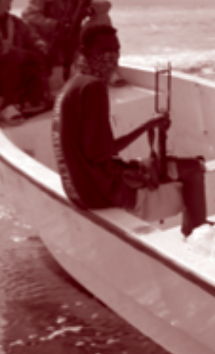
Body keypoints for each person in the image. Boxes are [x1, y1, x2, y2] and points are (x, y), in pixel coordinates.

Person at [52, 24, 170, 213]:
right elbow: (99, 154)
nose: (112, 56)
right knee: (191, 170)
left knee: (151, 165)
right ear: (85, 51)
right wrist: (147, 125)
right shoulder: (94, 87)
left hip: (76, 190)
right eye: (105, 50)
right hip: (96, 193)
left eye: (116, 50)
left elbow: (94, 151)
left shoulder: (72, 84)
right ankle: (196, 233)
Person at [23, 0, 112, 82]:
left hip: (74, 41)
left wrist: (88, 8)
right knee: (26, 25)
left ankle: (103, 60)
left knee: (102, 17)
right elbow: (29, 15)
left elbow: (106, 4)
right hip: (50, 42)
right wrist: (55, 24)